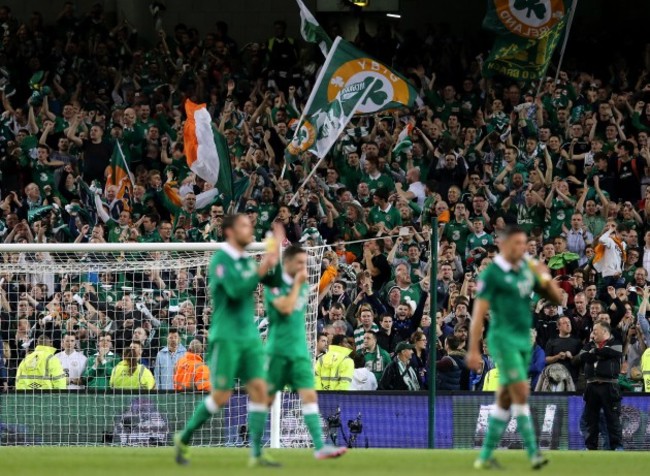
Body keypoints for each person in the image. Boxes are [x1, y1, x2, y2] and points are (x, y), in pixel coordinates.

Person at [174, 214, 283, 468]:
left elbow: (273, 281)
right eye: (245, 225)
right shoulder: (220, 261)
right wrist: (264, 265)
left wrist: (275, 258)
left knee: (259, 389)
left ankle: (256, 453)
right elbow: (235, 291)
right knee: (221, 396)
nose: (251, 228)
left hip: (250, 337)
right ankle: (184, 437)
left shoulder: (246, 262)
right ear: (230, 231)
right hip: (226, 337)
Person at [467, 226, 562, 470]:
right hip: (502, 339)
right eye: (517, 243)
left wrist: (545, 276)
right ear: (505, 245)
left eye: (525, 244)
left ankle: (485, 455)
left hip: (523, 341)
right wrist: (474, 350)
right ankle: (534, 453)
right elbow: (478, 315)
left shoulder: (527, 269)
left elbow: (556, 299)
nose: (523, 248)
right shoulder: (492, 275)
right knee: (520, 390)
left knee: (506, 397)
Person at [264, 244, 347, 459]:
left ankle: (319, 446)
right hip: (278, 350)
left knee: (308, 394)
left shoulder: (302, 290)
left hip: (300, 350)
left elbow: (320, 290)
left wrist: (331, 271)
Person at [577, 321, 623, 450]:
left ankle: (617, 447)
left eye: (595, 331)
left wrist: (595, 352)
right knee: (591, 420)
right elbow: (583, 356)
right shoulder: (589, 344)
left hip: (609, 387)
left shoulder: (616, 343)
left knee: (613, 420)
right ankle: (590, 447)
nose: (592, 334)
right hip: (591, 387)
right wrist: (601, 353)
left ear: (604, 332)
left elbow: (614, 353)